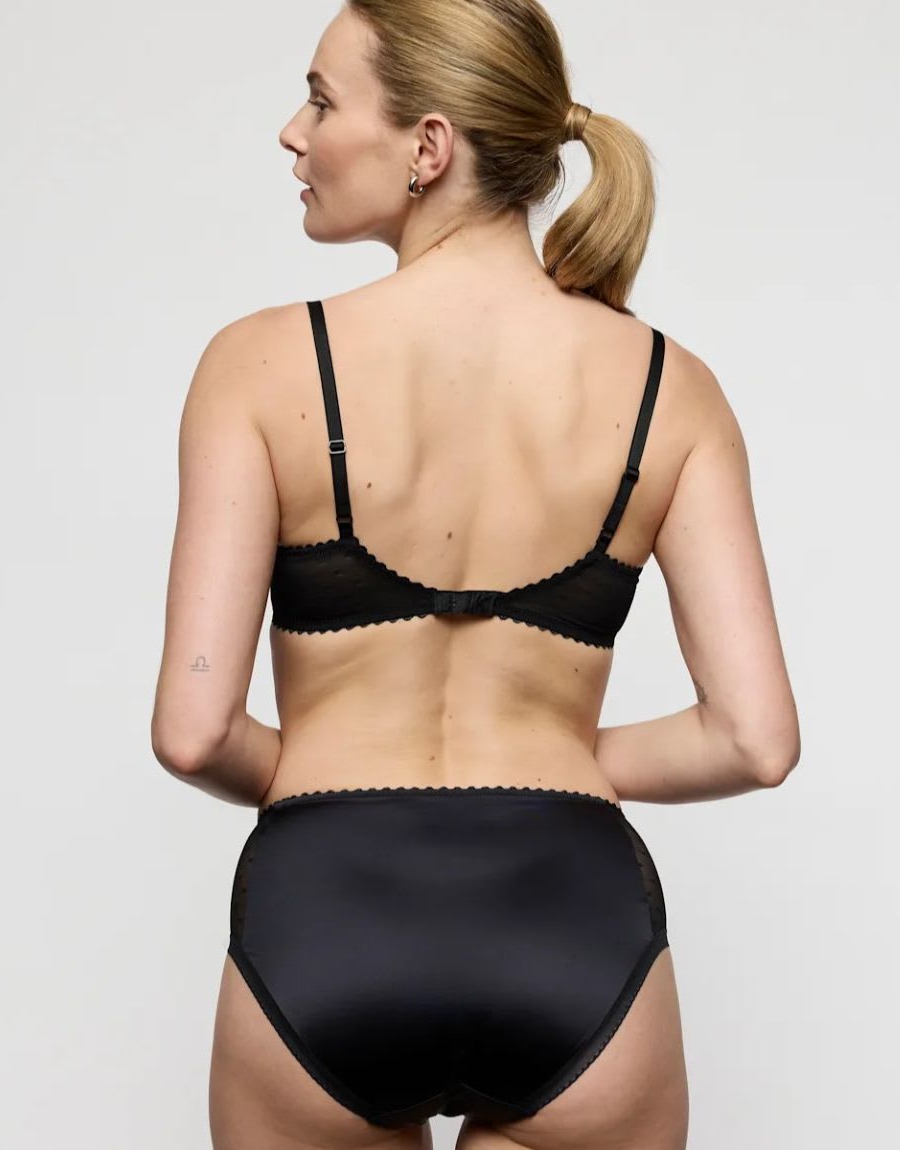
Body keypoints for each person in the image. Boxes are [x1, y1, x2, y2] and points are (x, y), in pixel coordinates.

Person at [150, 2, 800, 1148]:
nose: (293, 133)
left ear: (429, 146)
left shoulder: (256, 366)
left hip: (326, 919)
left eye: (321, 100)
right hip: (573, 924)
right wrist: (556, 759)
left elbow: (195, 732)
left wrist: (329, 768)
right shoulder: (672, 387)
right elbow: (755, 740)